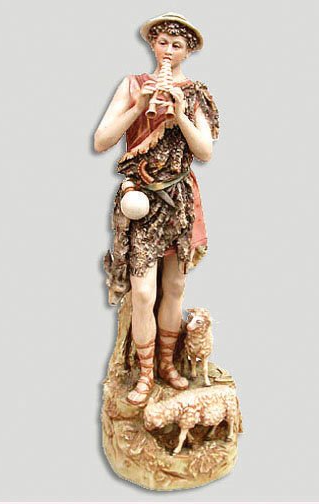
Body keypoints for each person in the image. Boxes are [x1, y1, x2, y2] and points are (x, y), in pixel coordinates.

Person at [94, 13, 219, 406]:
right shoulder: (133, 85)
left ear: (188, 51)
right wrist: (139, 107)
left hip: (178, 200)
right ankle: (146, 373)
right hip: (141, 200)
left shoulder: (195, 93)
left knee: (175, 287)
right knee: (144, 292)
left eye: (177, 45)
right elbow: (102, 140)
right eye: (163, 42)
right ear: (152, 44)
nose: (168, 50)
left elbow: (204, 151)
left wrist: (180, 114)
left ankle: (167, 364)